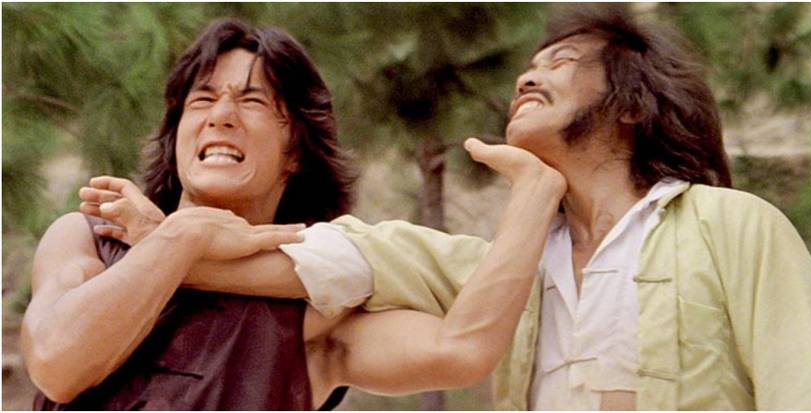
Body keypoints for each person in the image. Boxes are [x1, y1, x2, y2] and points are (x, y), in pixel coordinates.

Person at [69, 5, 811, 410]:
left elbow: (805, 389)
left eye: (560, 64)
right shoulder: (494, 268)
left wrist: (166, 238)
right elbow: (319, 259)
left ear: (630, 105)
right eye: (526, 69)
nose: (526, 78)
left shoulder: (730, 226)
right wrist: (165, 239)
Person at [21, 18, 567, 410]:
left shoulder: (312, 317)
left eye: (253, 101)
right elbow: (57, 366)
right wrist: (183, 236)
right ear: (177, 133)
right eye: (202, 100)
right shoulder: (91, 238)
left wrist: (535, 193)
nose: (221, 116)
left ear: (296, 152)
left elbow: (462, 348)